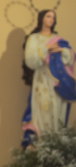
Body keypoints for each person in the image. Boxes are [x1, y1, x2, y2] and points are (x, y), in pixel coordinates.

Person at [21, 9, 74, 146]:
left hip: (58, 82)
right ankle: (43, 144)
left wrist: (62, 50)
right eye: (48, 16)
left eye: (53, 17)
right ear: (41, 19)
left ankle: (56, 145)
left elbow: (71, 58)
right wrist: (47, 48)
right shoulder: (34, 38)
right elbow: (30, 60)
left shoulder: (59, 39)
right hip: (42, 80)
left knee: (57, 111)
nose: (51, 19)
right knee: (43, 110)